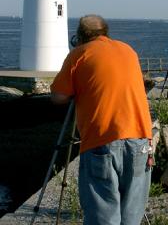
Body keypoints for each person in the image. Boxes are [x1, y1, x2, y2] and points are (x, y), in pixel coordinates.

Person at [50, 15, 152, 225]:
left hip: (102, 139)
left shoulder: (79, 54)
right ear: (105, 31)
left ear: (79, 36)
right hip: (140, 138)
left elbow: (58, 96)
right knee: (132, 212)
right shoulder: (127, 50)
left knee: (103, 212)